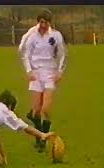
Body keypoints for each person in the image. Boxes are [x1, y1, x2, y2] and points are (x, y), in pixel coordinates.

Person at [18, 9, 67, 152]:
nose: (42, 25)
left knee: (45, 108)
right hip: (36, 74)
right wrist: (29, 71)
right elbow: (25, 55)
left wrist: (60, 72)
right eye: (40, 22)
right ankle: (39, 138)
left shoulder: (56, 36)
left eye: (45, 22)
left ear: (49, 23)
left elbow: (63, 54)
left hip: (50, 73)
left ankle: (43, 139)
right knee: (36, 111)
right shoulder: (32, 36)